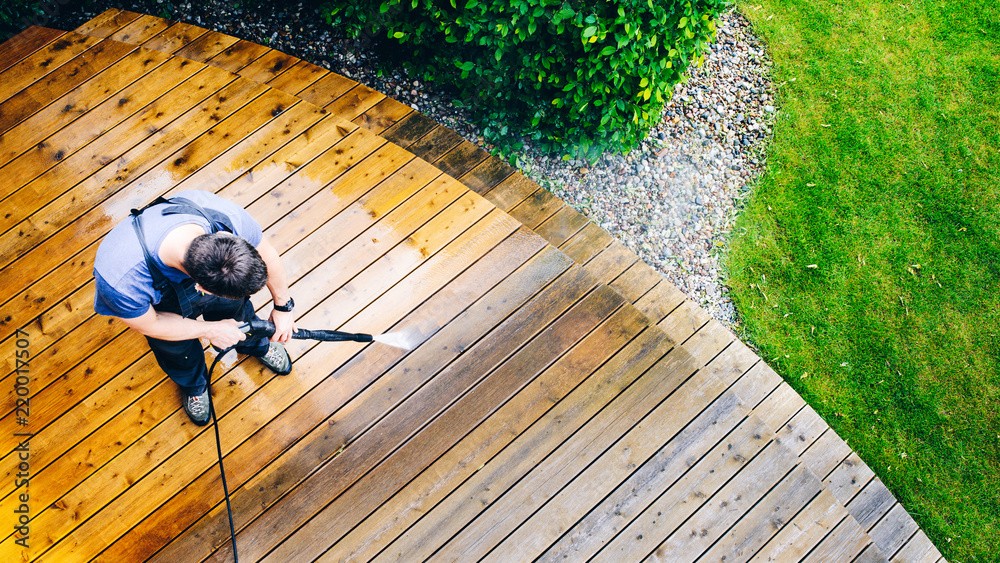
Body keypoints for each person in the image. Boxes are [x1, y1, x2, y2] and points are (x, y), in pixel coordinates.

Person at [92, 190, 297, 426]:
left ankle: (255, 345)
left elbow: (266, 254)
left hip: (208, 286)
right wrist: (209, 330)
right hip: (161, 312)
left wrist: (283, 307)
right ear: (202, 288)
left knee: (239, 314)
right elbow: (151, 324)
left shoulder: (224, 218)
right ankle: (194, 385)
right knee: (177, 350)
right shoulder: (121, 279)